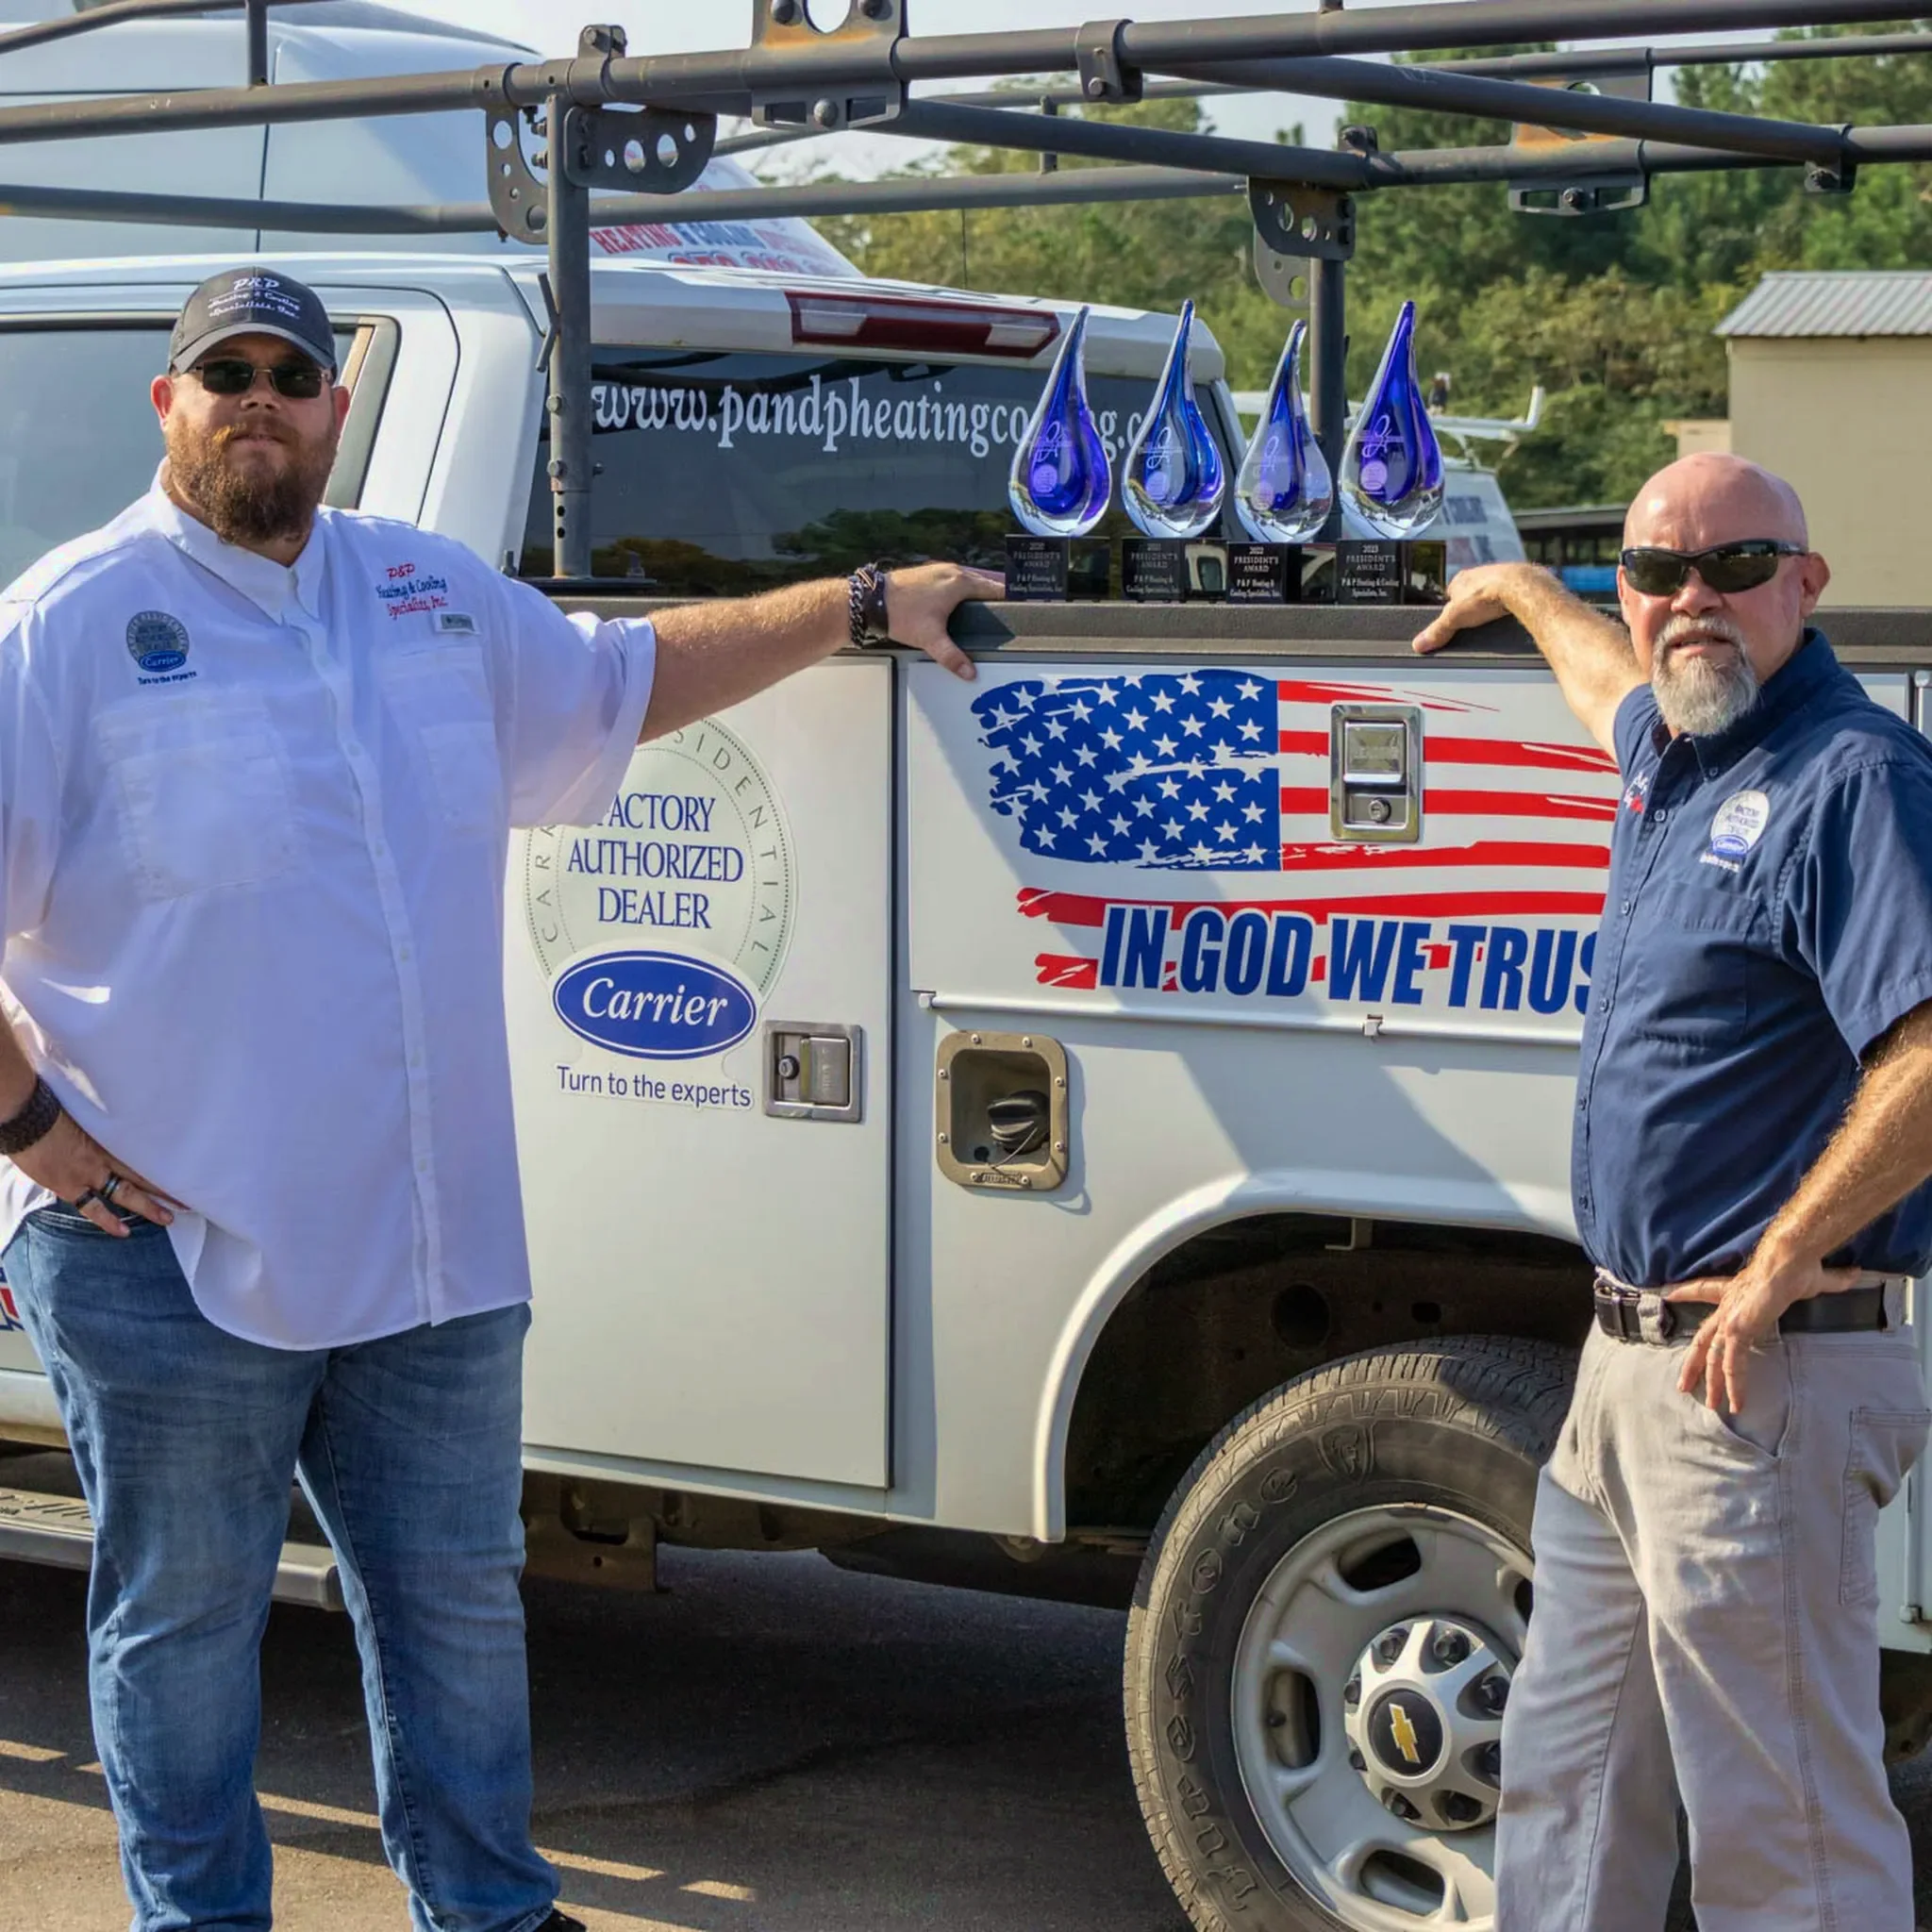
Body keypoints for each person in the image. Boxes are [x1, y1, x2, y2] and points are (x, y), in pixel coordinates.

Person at [0, 264, 995, 1932]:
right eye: (226, 374)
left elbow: (626, 678)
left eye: (291, 374)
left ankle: (490, 1914)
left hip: (432, 1247)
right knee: (183, 1633)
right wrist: (34, 1133)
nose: (260, 400)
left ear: (336, 408)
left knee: (459, 1615)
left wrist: (859, 600)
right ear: (169, 404)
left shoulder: (427, 591)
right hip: (165, 1252)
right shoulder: (66, 625)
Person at [1415, 452, 1932, 1932]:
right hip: (1621, 1379)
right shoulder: (1678, 748)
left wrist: (1778, 1261)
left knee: (1787, 1841)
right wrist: (1527, 589)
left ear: (1806, 583)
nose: (1693, 598)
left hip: (1753, 1379)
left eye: (1736, 565)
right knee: (1567, 1796)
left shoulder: (1853, 779)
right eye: (1657, 572)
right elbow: (1607, 686)